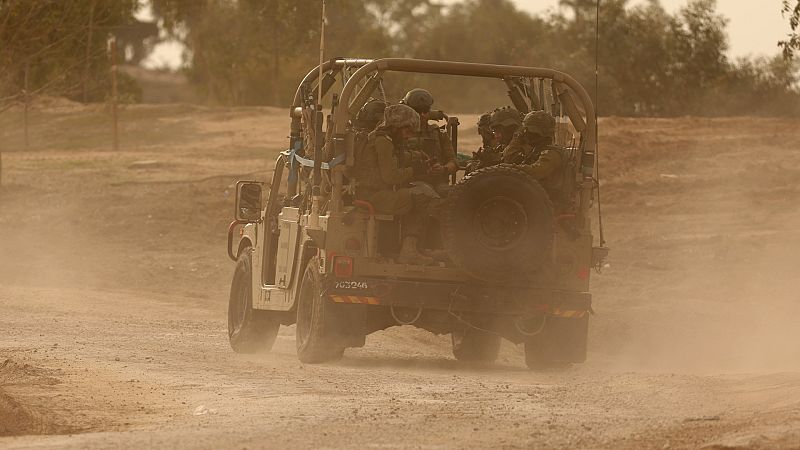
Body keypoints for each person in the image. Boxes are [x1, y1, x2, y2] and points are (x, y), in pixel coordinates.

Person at [355, 103, 434, 265]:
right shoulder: (383, 142)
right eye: (407, 131)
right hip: (373, 197)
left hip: (373, 193)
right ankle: (409, 250)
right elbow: (390, 177)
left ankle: (413, 247)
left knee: (418, 191)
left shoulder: (381, 138)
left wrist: (418, 158)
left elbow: (397, 158)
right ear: (396, 127)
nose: (408, 136)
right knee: (422, 196)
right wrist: (414, 170)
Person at [502, 110, 569, 204]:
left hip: (548, 203)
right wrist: (517, 139)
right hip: (535, 197)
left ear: (539, 133)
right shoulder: (534, 150)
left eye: (528, 131)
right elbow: (508, 158)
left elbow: (536, 172)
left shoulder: (552, 153)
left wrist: (511, 169)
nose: (525, 134)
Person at [400, 88, 457, 195]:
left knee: (453, 196)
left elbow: (453, 162)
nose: (421, 115)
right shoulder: (399, 134)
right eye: (417, 111)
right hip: (410, 184)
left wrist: (443, 169)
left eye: (425, 111)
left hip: (438, 183)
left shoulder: (439, 134)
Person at [466, 107, 522, 173]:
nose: (496, 136)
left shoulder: (521, 143)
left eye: (498, 132)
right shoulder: (504, 144)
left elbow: (508, 160)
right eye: (494, 131)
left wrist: (493, 158)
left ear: (509, 129)